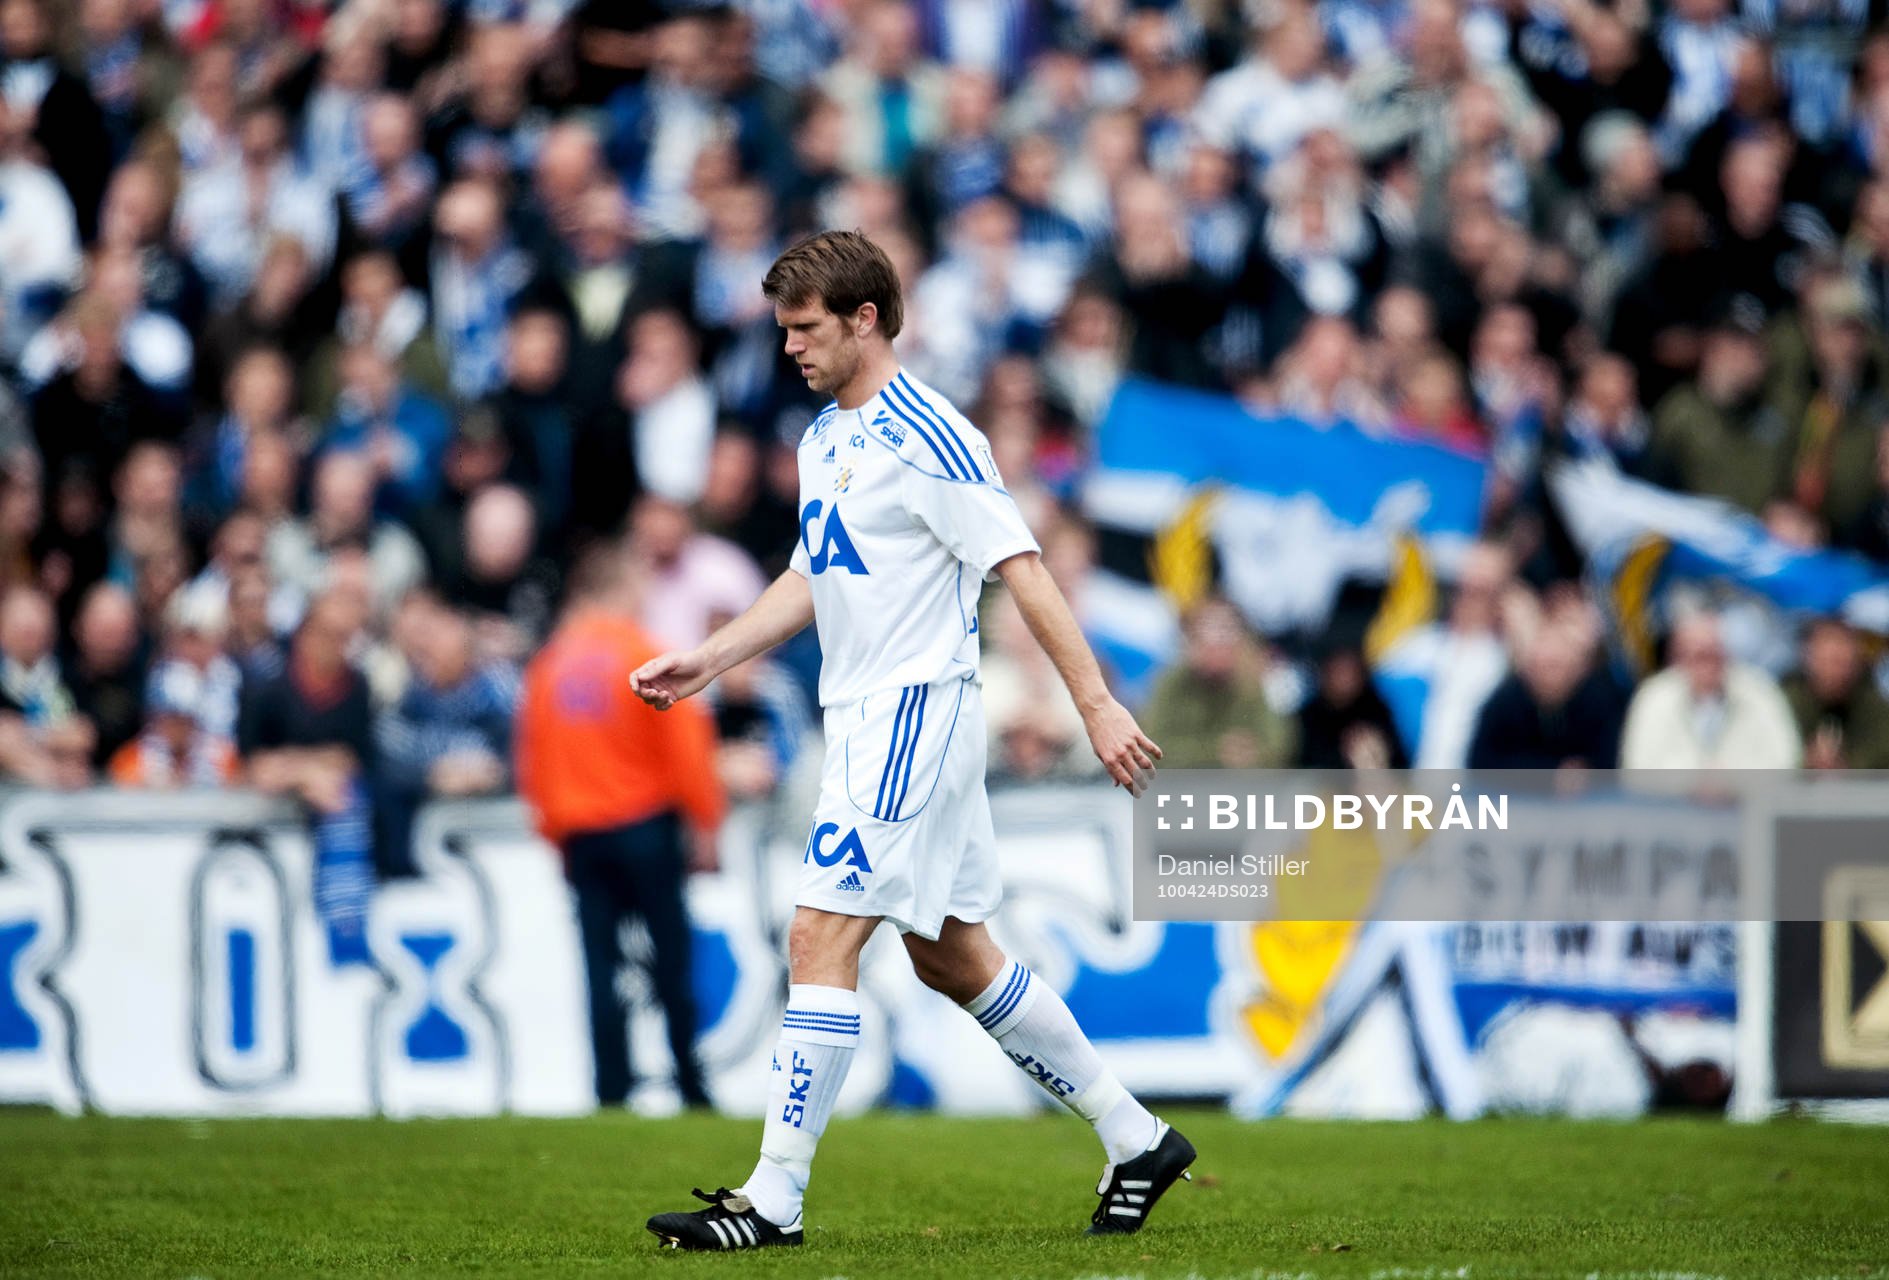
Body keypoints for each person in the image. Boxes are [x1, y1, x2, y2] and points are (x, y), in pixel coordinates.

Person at [633, 231, 1190, 1251]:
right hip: (870, 716)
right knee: (950, 953)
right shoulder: (821, 440)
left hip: (909, 716)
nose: (789, 348)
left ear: (864, 319)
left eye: (804, 330)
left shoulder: (929, 434)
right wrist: (707, 657)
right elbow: (813, 575)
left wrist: (1095, 703)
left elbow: (1019, 566)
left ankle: (772, 1198)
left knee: (819, 933)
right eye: (781, 330)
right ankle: (1134, 1133)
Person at [515, 543, 725, 1111]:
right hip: (647, 828)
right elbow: (688, 748)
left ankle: (611, 1090)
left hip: (585, 838)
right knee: (672, 963)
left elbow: (534, 765)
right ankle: (690, 1083)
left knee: (600, 970)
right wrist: (706, 824)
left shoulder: (547, 668)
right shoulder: (643, 653)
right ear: (616, 587)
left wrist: (555, 835)